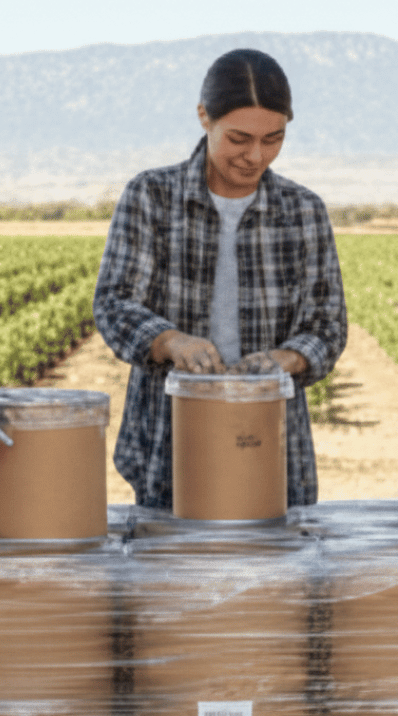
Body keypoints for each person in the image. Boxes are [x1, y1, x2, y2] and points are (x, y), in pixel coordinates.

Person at [93, 48, 346, 509]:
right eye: (239, 138)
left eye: (273, 139)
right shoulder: (151, 197)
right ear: (203, 117)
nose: (255, 156)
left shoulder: (304, 211)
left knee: (269, 578)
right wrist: (171, 342)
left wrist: (286, 359)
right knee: (176, 576)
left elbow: (328, 326)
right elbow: (113, 303)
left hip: (271, 442)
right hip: (167, 442)